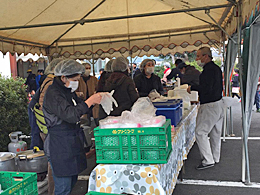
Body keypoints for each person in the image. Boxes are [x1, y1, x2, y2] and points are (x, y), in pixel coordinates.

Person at [43, 59, 104, 195]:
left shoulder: (67, 90)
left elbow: (80, 108)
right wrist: (89, 102)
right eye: (75, 79)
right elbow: (71, 115)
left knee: (72, 182)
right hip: (59, 144)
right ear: (63, 77)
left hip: (71, 141)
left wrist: (94, 101)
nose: (77, 82)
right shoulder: (53, 93)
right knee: (63, 187)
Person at [187, 47, 224, 170]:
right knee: (215, 132)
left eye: (198, 56)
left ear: (205, 56)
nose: (197, 59)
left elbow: (206, 88)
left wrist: (192, 87)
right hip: (218, 103)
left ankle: (208, 160)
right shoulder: (216, 69)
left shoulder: (208, 71)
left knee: (200, 132)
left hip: (209, 105)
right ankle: (215, 156)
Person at [37, 58, 63, 195]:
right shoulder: (52, 83)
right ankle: (54, 191)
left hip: (45, 126)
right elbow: (52, 106)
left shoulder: (47, 80)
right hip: (50, 127)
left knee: (53, 160)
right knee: (54, 161)